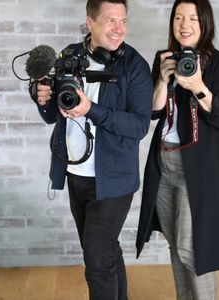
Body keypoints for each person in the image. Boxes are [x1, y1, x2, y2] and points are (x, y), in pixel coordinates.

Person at [33, 0, 153, 299]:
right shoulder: (69, 56)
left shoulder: (134, 65)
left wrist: (91, 110)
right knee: (105, 250)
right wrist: (41, 96)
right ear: (91, 23)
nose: (119, 29)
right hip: (75, 172)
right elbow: (52, 116)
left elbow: (139, 126)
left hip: (113, 181)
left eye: (123, 20)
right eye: (110, 20)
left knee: (97, 262)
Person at [136, 0, 219, 299]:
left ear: (204, 23)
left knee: (191, 248)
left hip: (199, 168)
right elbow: (153, 113)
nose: (184, 24)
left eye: (192, 18)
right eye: (178, 17)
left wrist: (197, 85)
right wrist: (163, 80)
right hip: (164, 162)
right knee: (174, 243)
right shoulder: (164, 58)